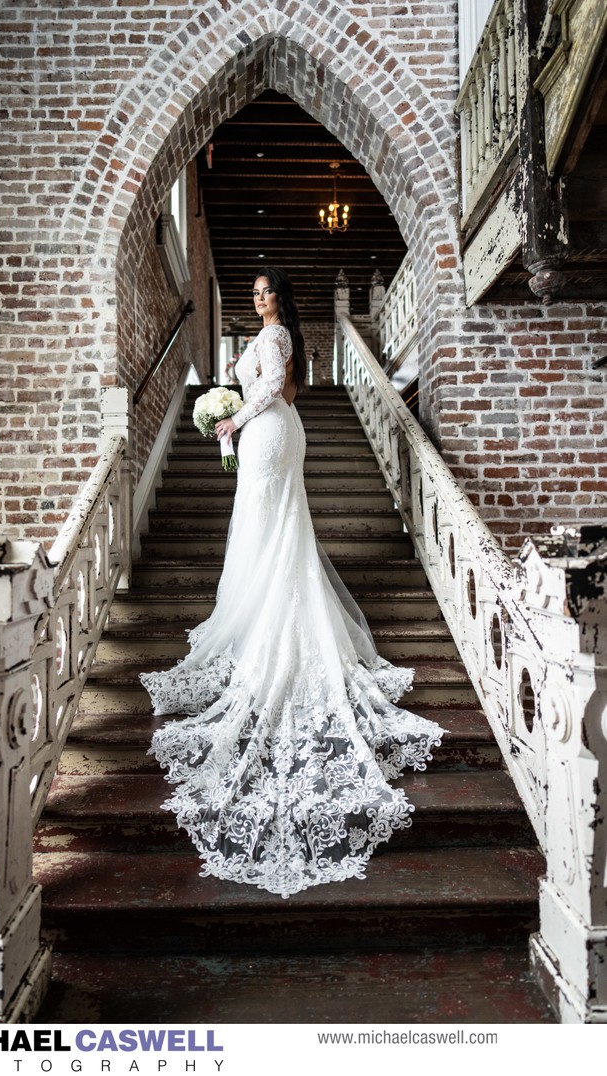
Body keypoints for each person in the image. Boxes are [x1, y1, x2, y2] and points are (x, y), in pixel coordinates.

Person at [140, 267, 444, 898]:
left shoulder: (276, 340)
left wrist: (231, 419)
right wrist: (231, 418)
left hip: (270, 434)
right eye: (252, 293)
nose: (258, 300)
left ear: (281, 299)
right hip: (264, 436)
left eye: (266, 292)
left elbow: (275, 390)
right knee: (264, 529)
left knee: (273, 527)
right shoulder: (268, 335)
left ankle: (276, 620)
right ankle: (257, 609)